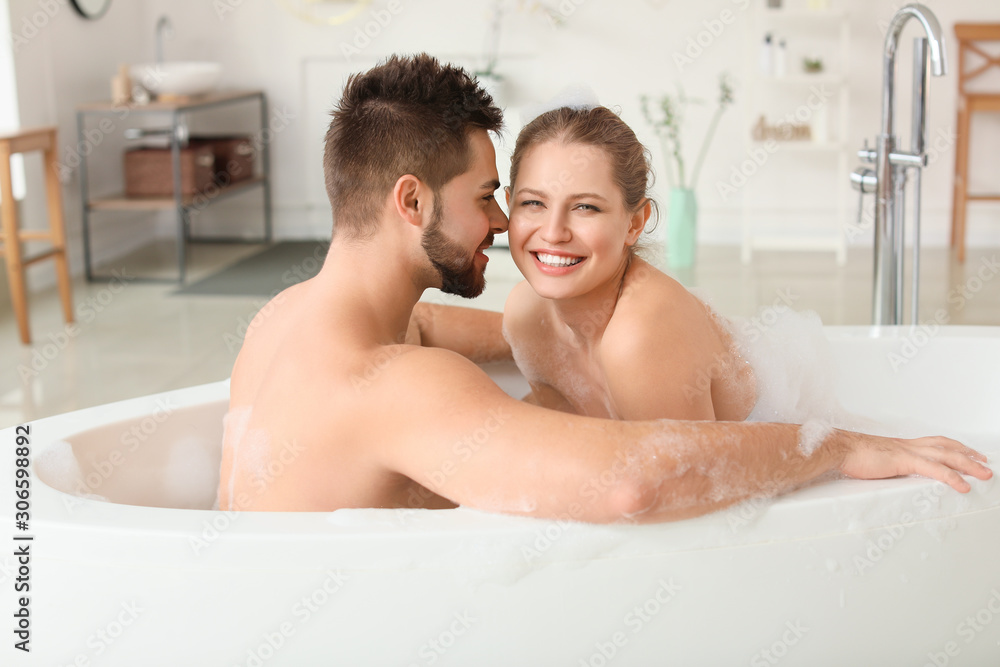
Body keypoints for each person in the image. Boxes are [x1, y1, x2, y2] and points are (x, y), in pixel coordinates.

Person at [218, 53, 991, 522]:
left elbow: (437, 330)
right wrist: (836, 445)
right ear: (412, 202)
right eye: (494, 195)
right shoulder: (402, 388)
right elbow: (631, 489)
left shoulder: (282, 321)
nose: (499, 222)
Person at [502, 104, 753, 421]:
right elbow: (567, 435)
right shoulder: (525, 314)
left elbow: (697, 468)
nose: (553, 233)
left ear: (635, 223)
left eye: (585, 207)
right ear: (509, 204)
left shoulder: (641, 334)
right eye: (533, 203)